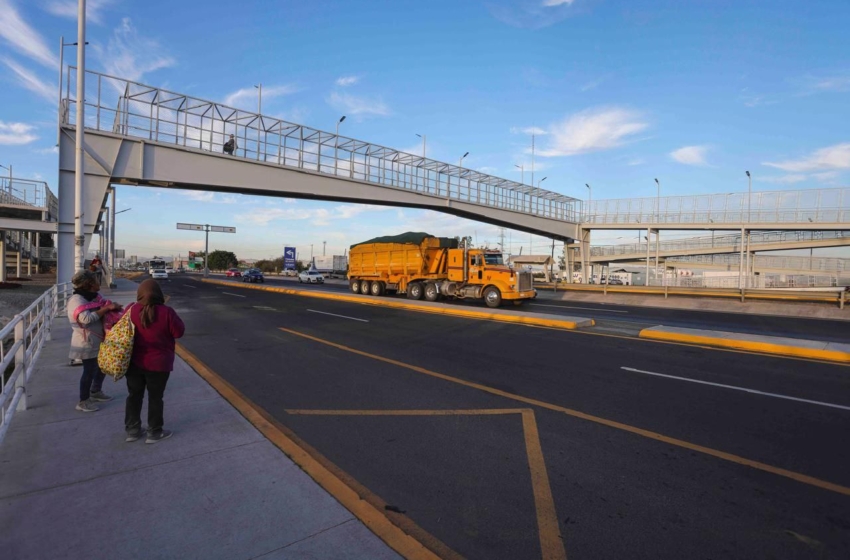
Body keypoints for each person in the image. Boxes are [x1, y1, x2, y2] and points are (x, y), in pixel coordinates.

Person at [123, 279, 185, 444]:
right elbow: (179, 332)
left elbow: (119, 329)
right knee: (155, 398)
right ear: (159, 293)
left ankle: (132, 430)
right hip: (159, 365)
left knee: (134, 396)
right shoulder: (167, 312)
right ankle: (154, 432)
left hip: (134, 364)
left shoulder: (131, 310)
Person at [68, 270, 122, 412]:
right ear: (89, 284)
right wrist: (106, 309)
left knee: (101, 367)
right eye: (96, 280)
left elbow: (104, 305)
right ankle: (83, 401)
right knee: (89, 371)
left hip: (99, 340)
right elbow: (85, 319)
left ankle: (96, 391)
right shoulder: (77, 300)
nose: (99, 282)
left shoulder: (95, 297)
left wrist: (113, 308)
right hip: (87, 342)